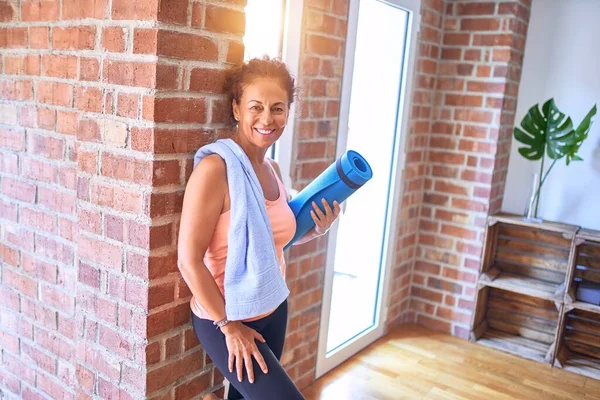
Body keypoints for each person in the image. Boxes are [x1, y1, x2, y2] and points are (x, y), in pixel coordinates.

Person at [177, 56, 341, 400]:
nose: (267, 119)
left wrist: (316, 229)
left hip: (272, 308)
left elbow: (273, 242)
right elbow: (188, 261)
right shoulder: (215, 169)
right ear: (236, 109)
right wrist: (229, 327)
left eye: (278, 108)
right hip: (224, 317)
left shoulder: (274, 171)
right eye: (256, 107)